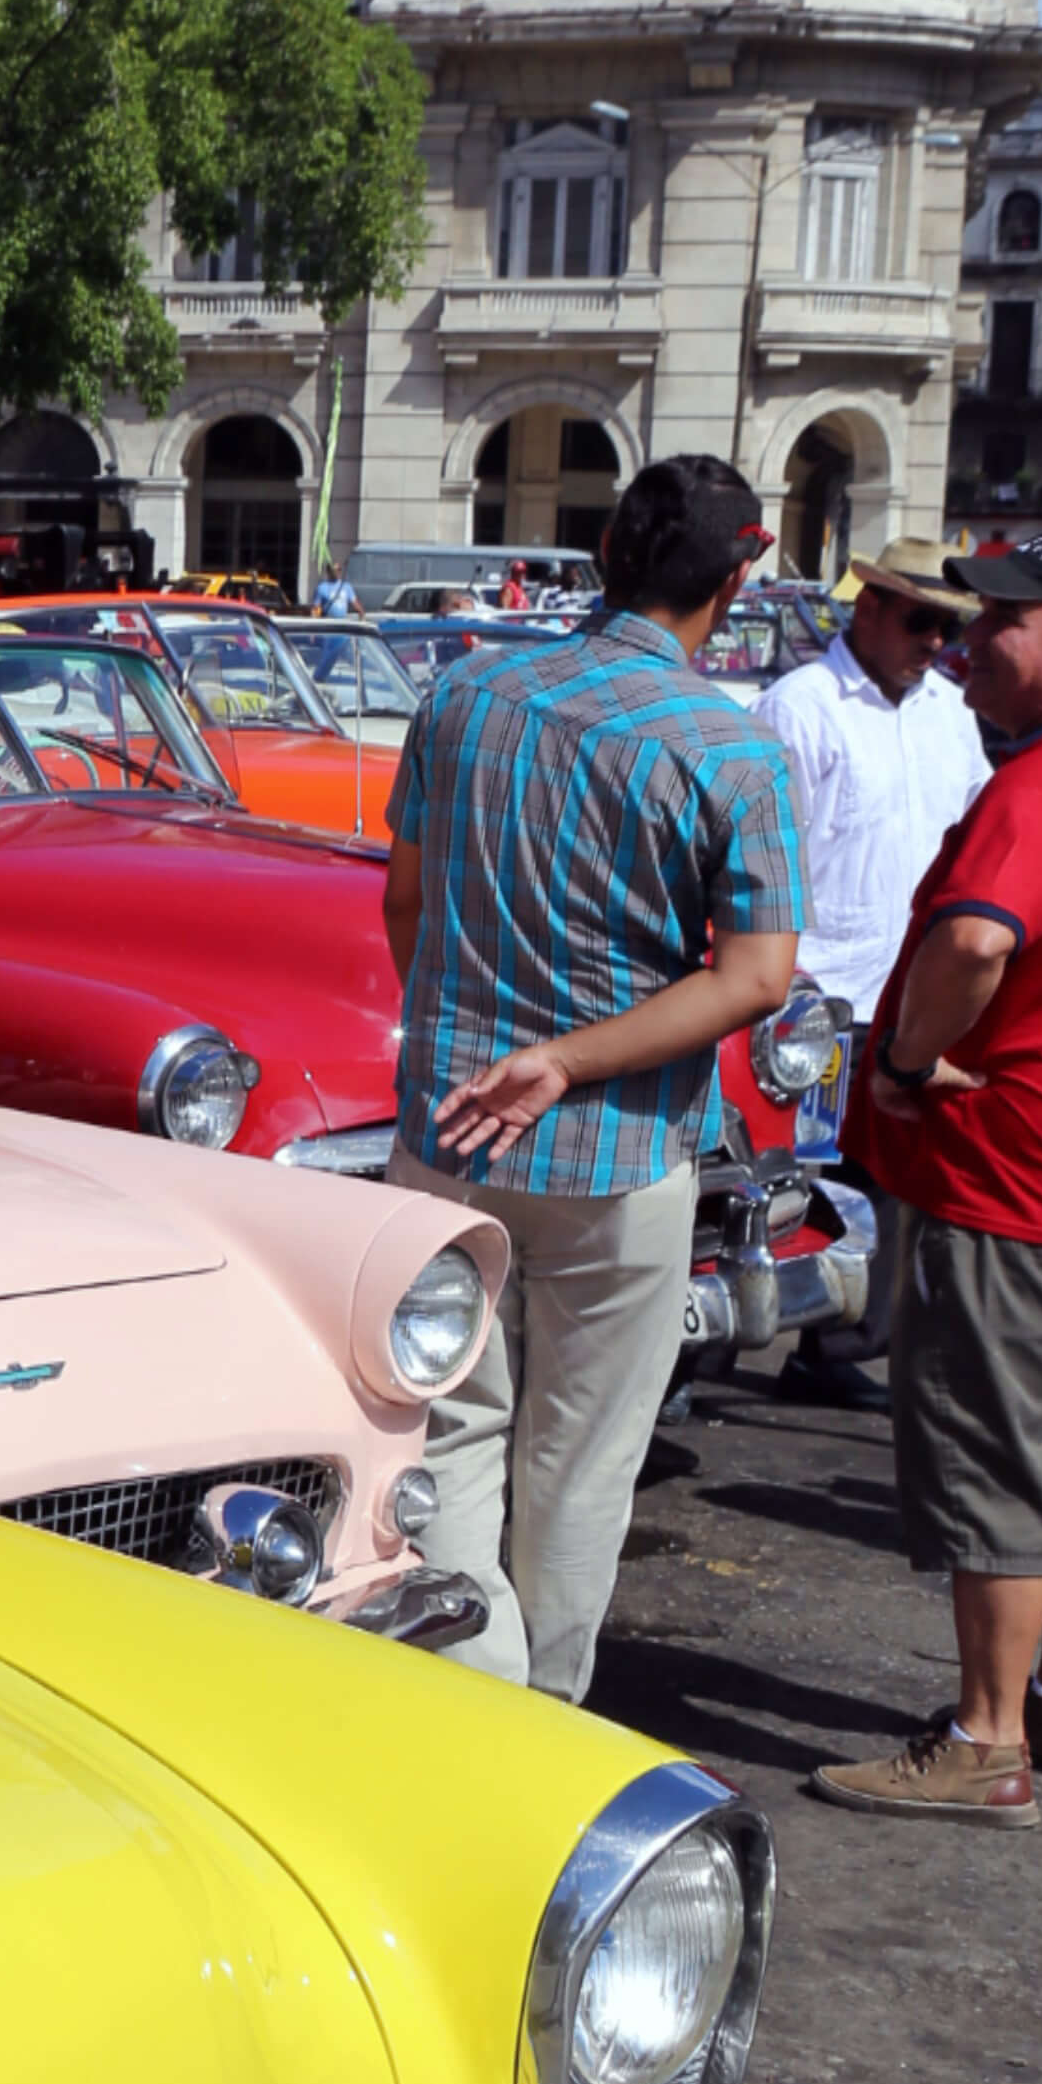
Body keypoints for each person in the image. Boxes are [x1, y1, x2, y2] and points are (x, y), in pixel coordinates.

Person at [384, 454, 802, 1695]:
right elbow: (756, 978)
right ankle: (536, 1715)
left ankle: (471, 1691)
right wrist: (563, 1061)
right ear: (736, 576)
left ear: (609, 554)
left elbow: (405, 900)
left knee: (452, 1431)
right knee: (580, 1466)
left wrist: (472, 1034)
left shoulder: (464, 696)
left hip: (449, 1132)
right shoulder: (731, 754)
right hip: (618, 1158)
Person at [808, 538, 1042, 1820]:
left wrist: (909, 1059)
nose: (969, 647)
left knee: (991, 1459)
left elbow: (974, 939)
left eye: (1004, 624)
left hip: (1010, 1177)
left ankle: (987, 1738)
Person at [756, 544, 988, 1400]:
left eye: (948, 625)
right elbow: (765, 855)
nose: (936, 641)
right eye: (920, 620)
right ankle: (703, 1352)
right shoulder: (802, 708)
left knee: (884, 1183)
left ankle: (841, 1351)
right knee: (776, 1177)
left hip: (904, 989)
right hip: (816, 994)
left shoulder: (951, 714)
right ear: (869, 611)